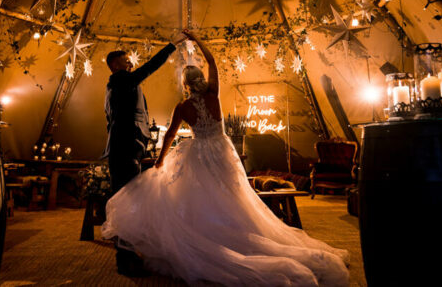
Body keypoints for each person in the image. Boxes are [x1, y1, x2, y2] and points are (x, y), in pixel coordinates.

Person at [102, 29, 350, 286]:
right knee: (232, 196)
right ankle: (236, 230)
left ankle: (209, 235)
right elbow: (212, 62)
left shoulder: (182, 107)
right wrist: (198, 40)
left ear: (185, 86)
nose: (130, 64)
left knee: (199, 198)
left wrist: (161, 160)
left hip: (198, 153)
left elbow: (168, 137)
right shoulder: (214, 94)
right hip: (222, 151)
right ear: (201, 81)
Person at [102, 33, 185, 277]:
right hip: (125, 149)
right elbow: (150, 67)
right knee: (127, 202)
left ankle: (126, 255)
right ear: (116, 64)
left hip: (126, 147)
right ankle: (125, 259)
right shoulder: (121, 81)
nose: (131, 63)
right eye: (126, 60)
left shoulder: (117, 86)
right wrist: (171, 45)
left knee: (126, 201)